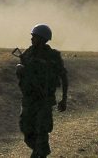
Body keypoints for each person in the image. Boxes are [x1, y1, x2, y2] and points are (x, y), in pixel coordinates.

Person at [16, 24, 68, 158]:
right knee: (26, 130)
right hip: (29, 99)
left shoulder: (53, 56)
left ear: (42, 39)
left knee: (42, 129)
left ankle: (40, 153)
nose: (32, 39)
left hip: (44, 100)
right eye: (32, 36)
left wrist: (64, 99)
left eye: (34, 36)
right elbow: (21, 72)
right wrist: (20, 69)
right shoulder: (28, 53)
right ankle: (41, 151)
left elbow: (63, 77)